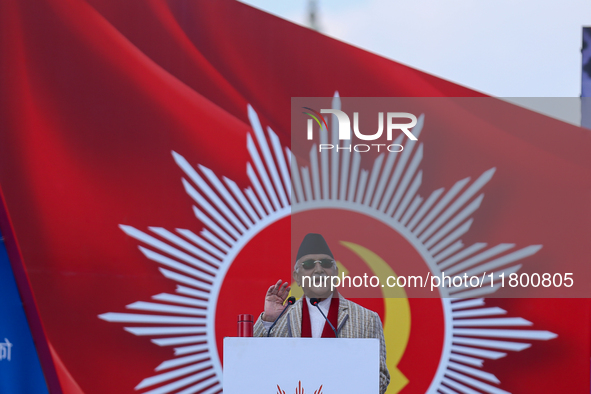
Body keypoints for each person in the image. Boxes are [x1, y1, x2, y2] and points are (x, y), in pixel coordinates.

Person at [253, 233, 390, 394]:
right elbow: (254, 367)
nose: (319, 270)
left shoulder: (367, 319)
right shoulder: (281, 319)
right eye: (309, 264)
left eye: (325, 263)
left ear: (336, 271)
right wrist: (269, 320)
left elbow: (379, 377)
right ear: (297, 276)